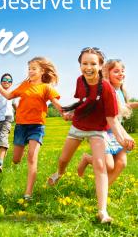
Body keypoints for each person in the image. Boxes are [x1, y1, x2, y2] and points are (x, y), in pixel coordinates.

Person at [47, 48, 135, 223]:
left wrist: (122, 138)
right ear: (80, 65)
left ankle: (102, 211)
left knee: (101, 166)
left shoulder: (108, 89)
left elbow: (112, 118)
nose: (88, 67)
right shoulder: (80, 81)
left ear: (100, 65)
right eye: (84, 63)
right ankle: (59, 173)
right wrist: (70, 112)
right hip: (78, 126)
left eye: (93, 63)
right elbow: (83, 101)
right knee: (64, 159)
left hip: (97, 130)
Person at [0, 57, 61, 200]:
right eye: (29, 68)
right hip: (21, 126)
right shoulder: (24, 85)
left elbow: (56, 103)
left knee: (32, 157)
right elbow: (9, 95)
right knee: (16, 159)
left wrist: (65, 113)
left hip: (37, 127)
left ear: (42, 71)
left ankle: (28, 193)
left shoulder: (46, 87)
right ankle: (19, 154)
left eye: (33, 68)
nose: (30, 71)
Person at [77, 59, 138, 185]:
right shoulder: (107, 90)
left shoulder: (120, 91)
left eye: (122, 71)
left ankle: (102, 190)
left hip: (116, 130)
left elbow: (123, 106)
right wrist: (126, 136)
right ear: (107, 73)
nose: (121, 73)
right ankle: (87, 158)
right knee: (109, 165)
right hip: (104, 131)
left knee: (122, 162)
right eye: (116, 71)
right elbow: (111, 118)